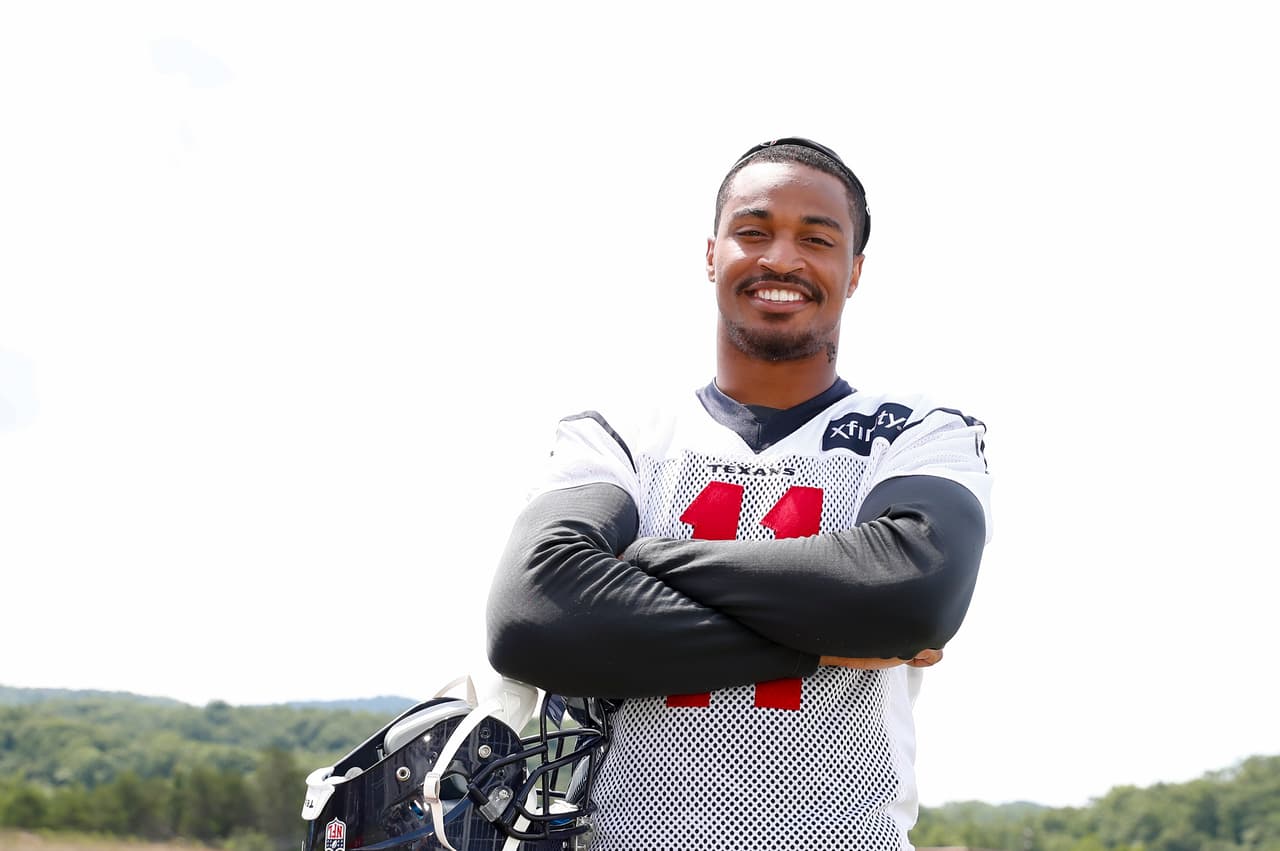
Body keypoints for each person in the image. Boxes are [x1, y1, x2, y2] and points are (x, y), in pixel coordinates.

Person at [486, 138, 993, 851]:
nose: (781, 259)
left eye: (817, 238)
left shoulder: (915, 432)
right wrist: (824, 643)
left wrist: (647, 560)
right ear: (711, 253)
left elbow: (909, 596)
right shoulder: (621, 436)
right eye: (753, 232)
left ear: (854, 272)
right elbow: (534, 616)